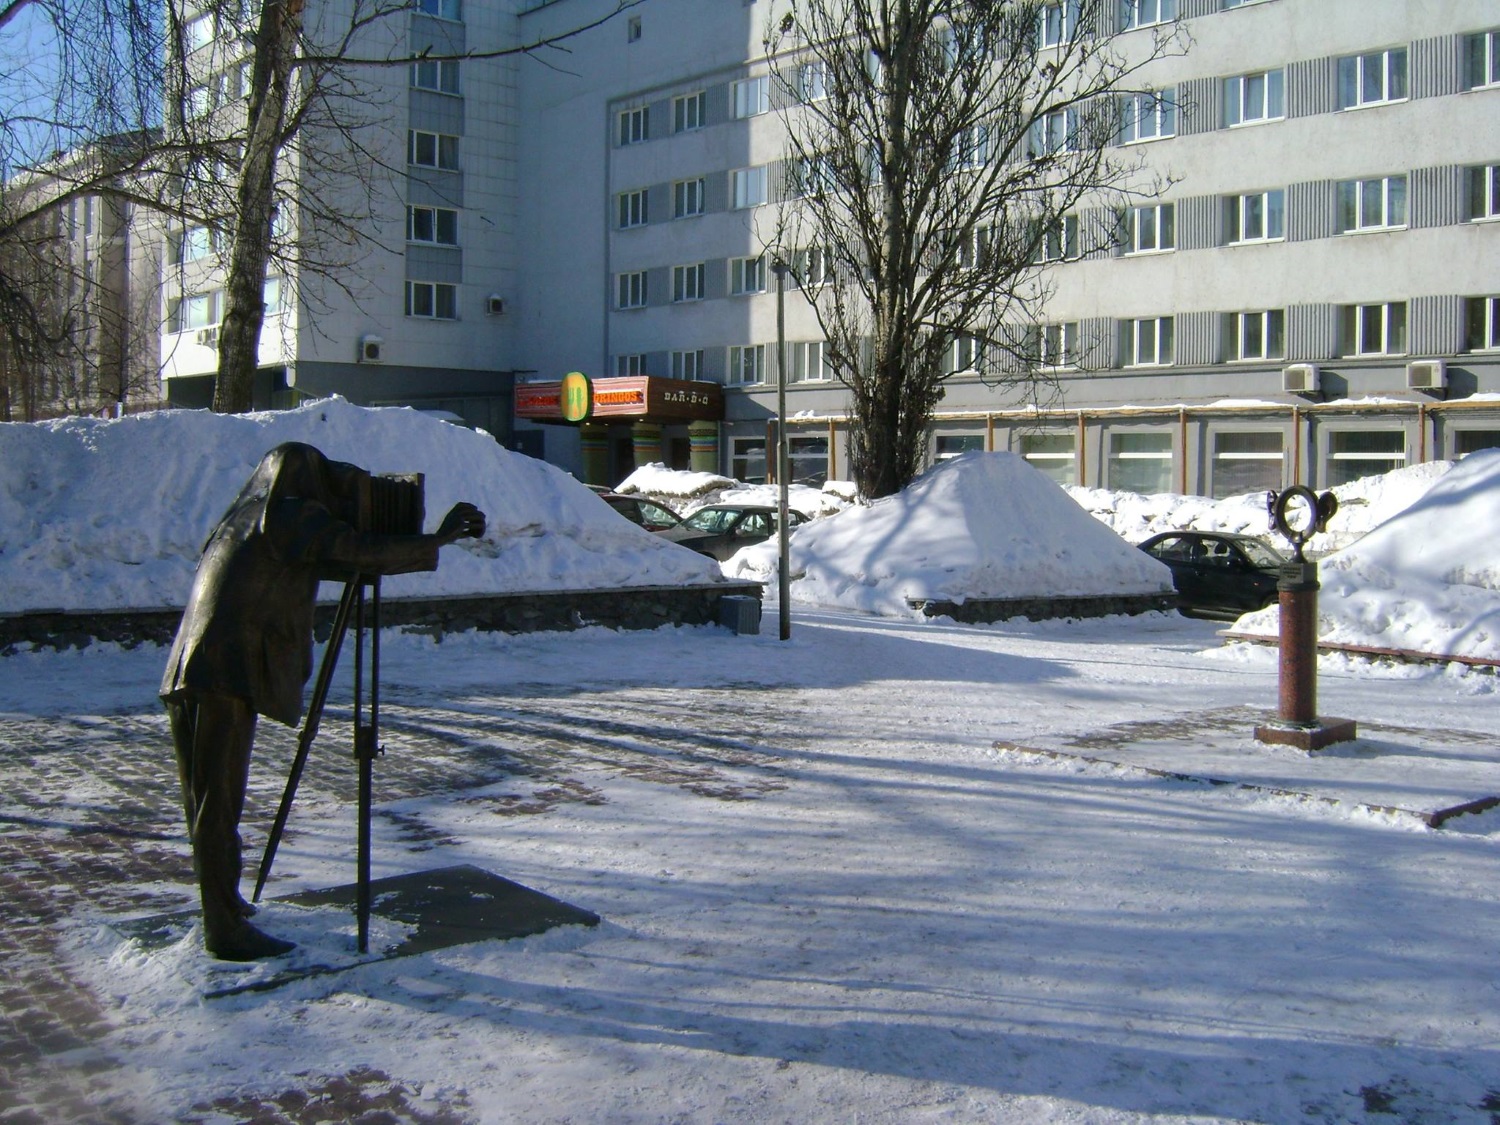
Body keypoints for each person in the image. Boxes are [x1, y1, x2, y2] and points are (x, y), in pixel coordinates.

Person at [160, 442, 485, 961]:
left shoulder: (245, 516)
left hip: (189, 667)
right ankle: (223, 929)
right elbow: (356, 551)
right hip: (224, 670)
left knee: (205, 804)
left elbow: (338, 554)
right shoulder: (286, 514)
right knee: (217, 805)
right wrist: (437, 538)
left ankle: (222, 902)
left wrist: (404, 542)